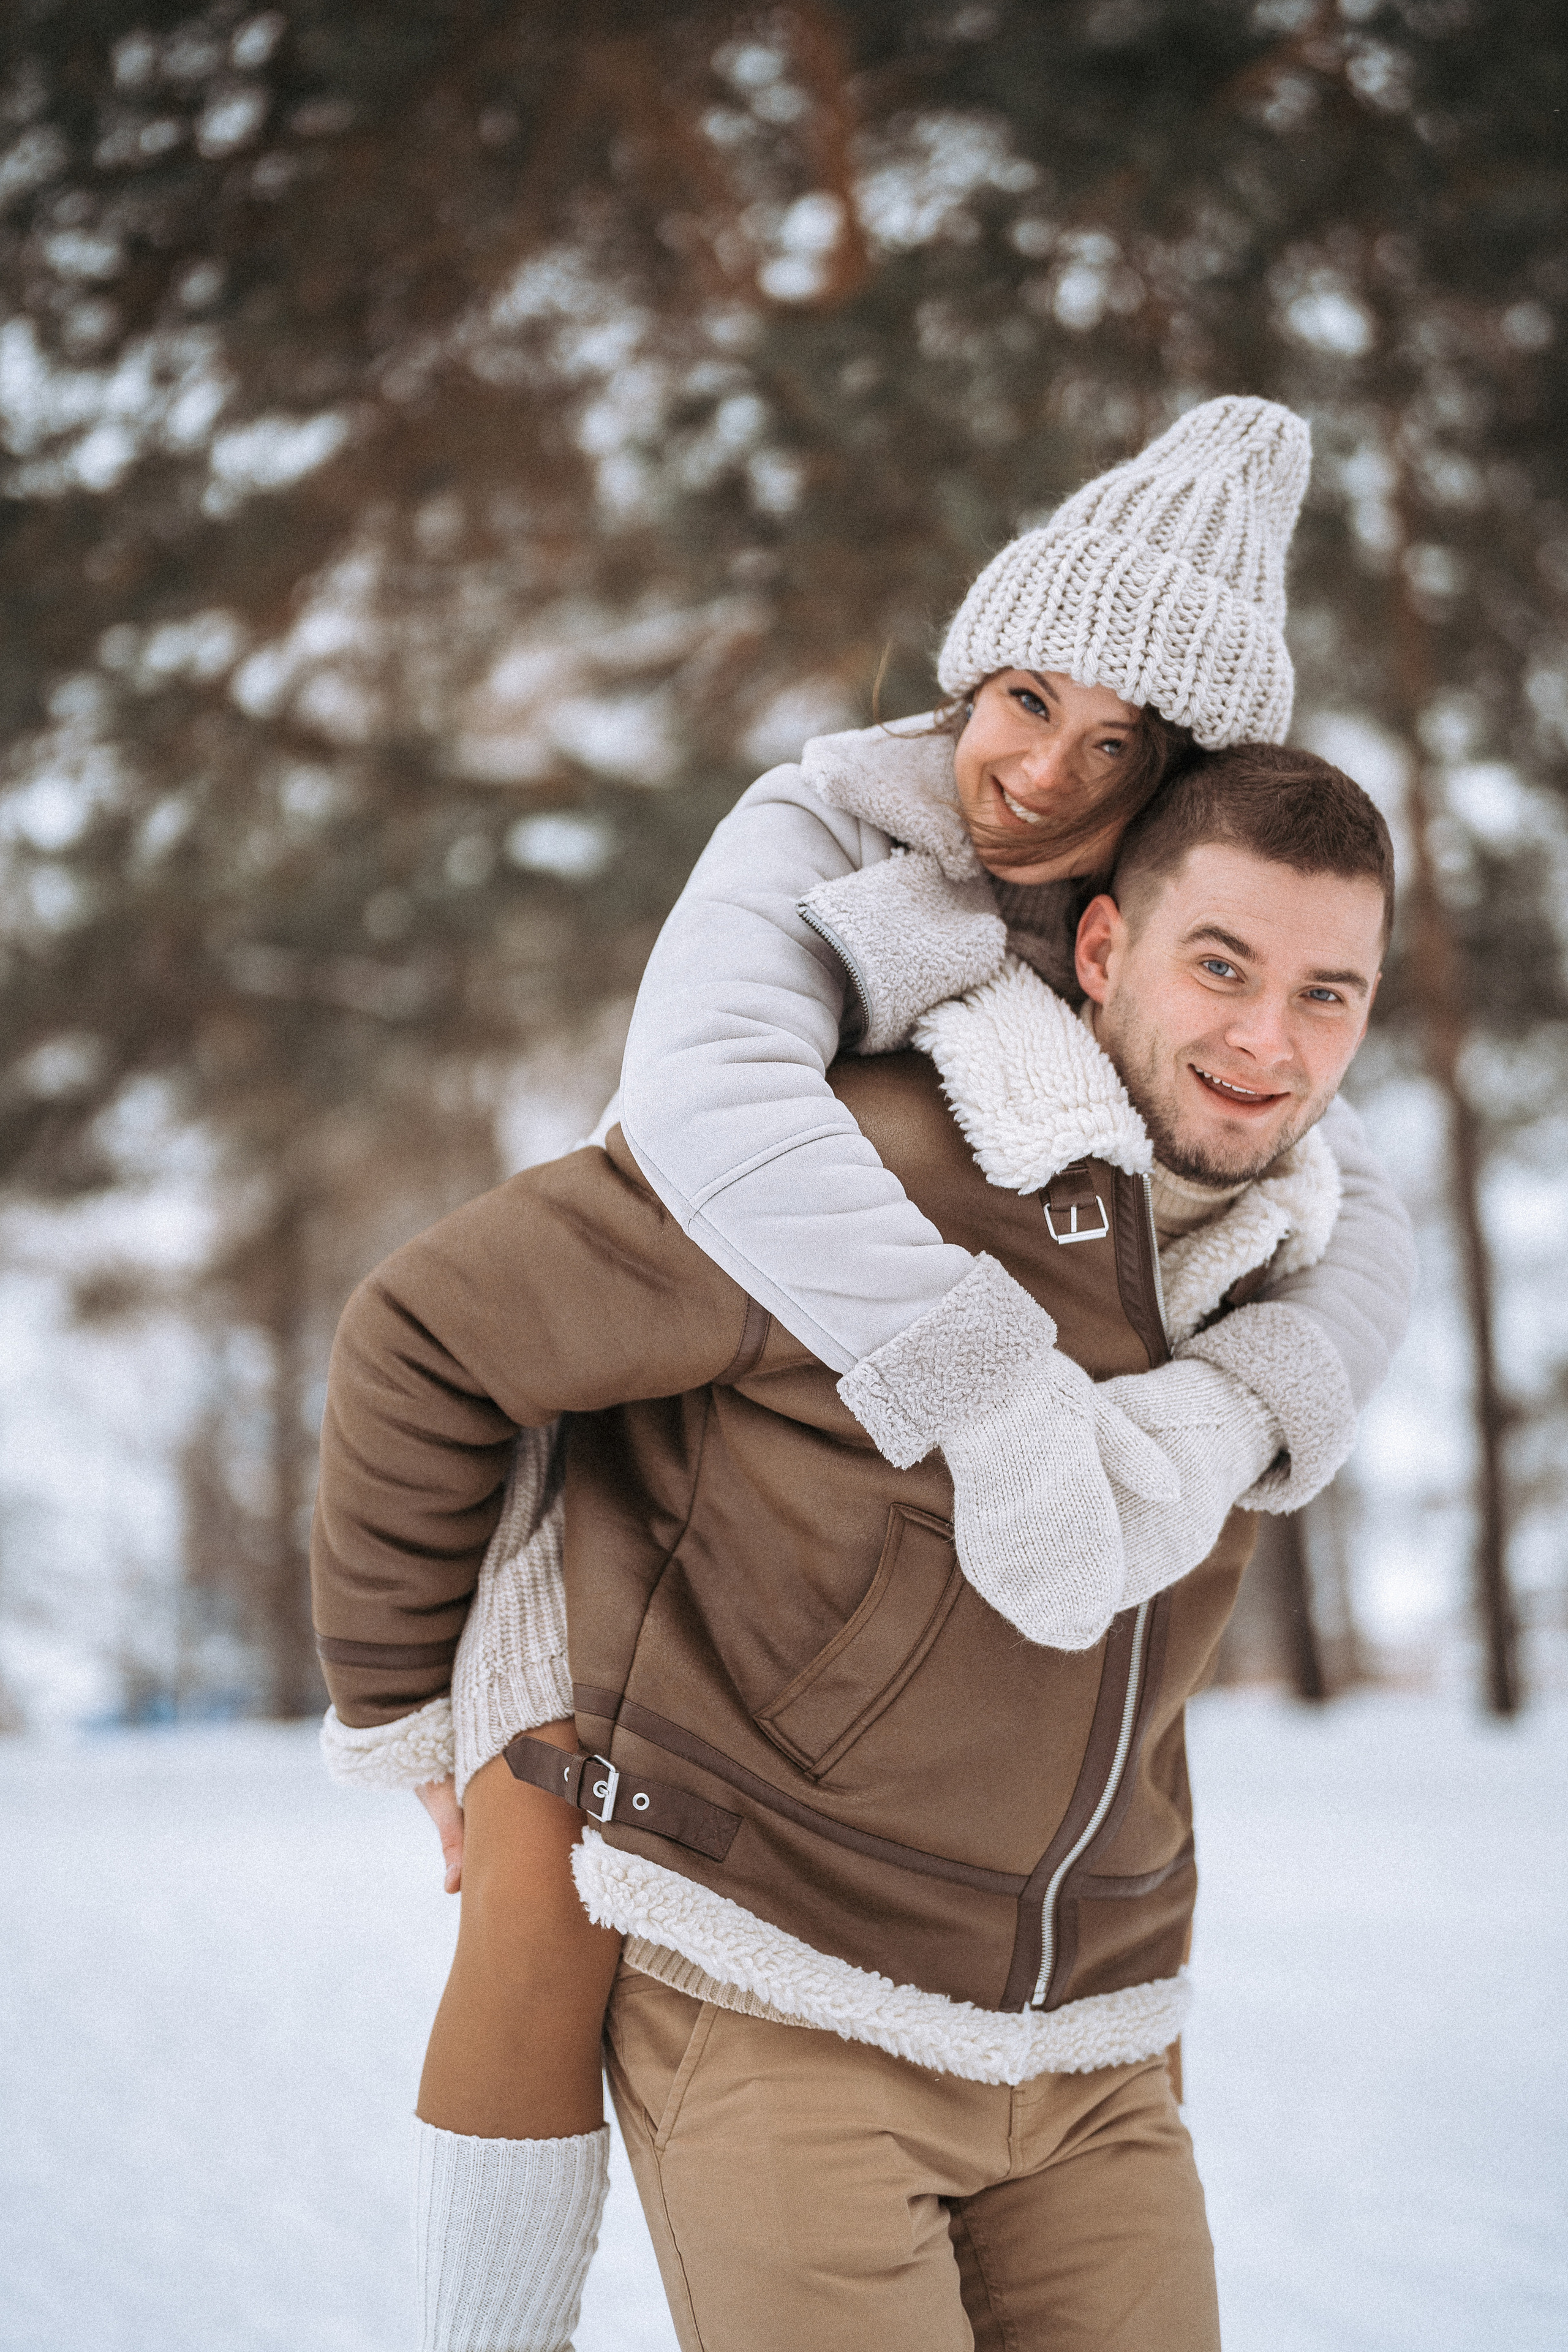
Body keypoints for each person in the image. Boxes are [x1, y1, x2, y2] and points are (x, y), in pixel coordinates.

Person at [312, 736, 1403, 2350]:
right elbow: (425, 1334)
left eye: (1329, 994)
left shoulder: (1292, 1274)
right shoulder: (865, 1165)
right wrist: (406, 1709)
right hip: (783, 1997)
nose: (1270, 1041)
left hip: (1093, 2052)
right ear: (1105, 947)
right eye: (1222, 966)